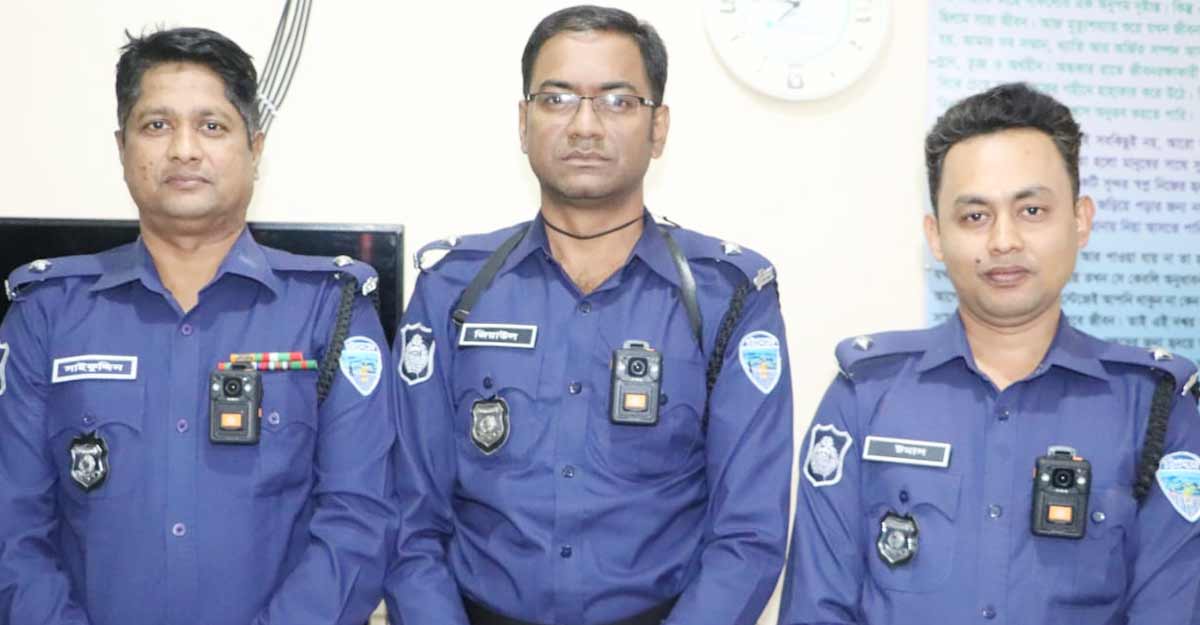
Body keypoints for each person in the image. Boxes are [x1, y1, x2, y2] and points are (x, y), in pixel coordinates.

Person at [384, 6, 793, 625]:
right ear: (523, 123)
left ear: (658, 128)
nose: (584, 125)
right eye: (556, 99)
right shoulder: (453, 290)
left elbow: (747, 534)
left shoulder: (726, 297)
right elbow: (410, 520)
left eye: (617, 101)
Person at [0, 27, 393, 625]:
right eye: (157, 125)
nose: (184, 149)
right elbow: (13, 527)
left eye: (212, 125)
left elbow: (358, 524)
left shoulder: (329, 311)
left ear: (255, 148)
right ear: (122, 147)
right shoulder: (46, 314)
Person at [779, 82, 1200, 625]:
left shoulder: (1155, 411)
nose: (1004, 241)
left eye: (1032, 210)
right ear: (936, 235)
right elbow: (817, 609)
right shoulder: (866, 397)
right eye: (975, 216)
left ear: (1080, 220)